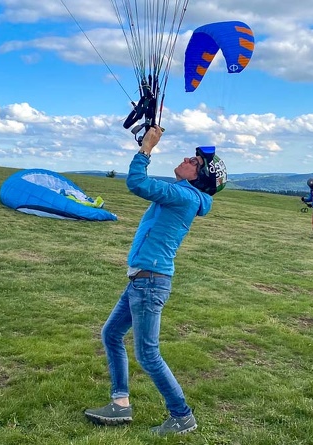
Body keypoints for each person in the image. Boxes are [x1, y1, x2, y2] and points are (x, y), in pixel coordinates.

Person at [84, 125, 227, 435]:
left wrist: (146, 148)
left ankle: (182, 416)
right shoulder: (182, 194)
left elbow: (137, 182)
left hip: (150, 282)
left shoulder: (184, 196)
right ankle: (120, 403)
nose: (188, 158)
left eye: (195, 161)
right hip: (142, 280)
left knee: (148, 354)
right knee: (111, 334)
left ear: (197, 177)